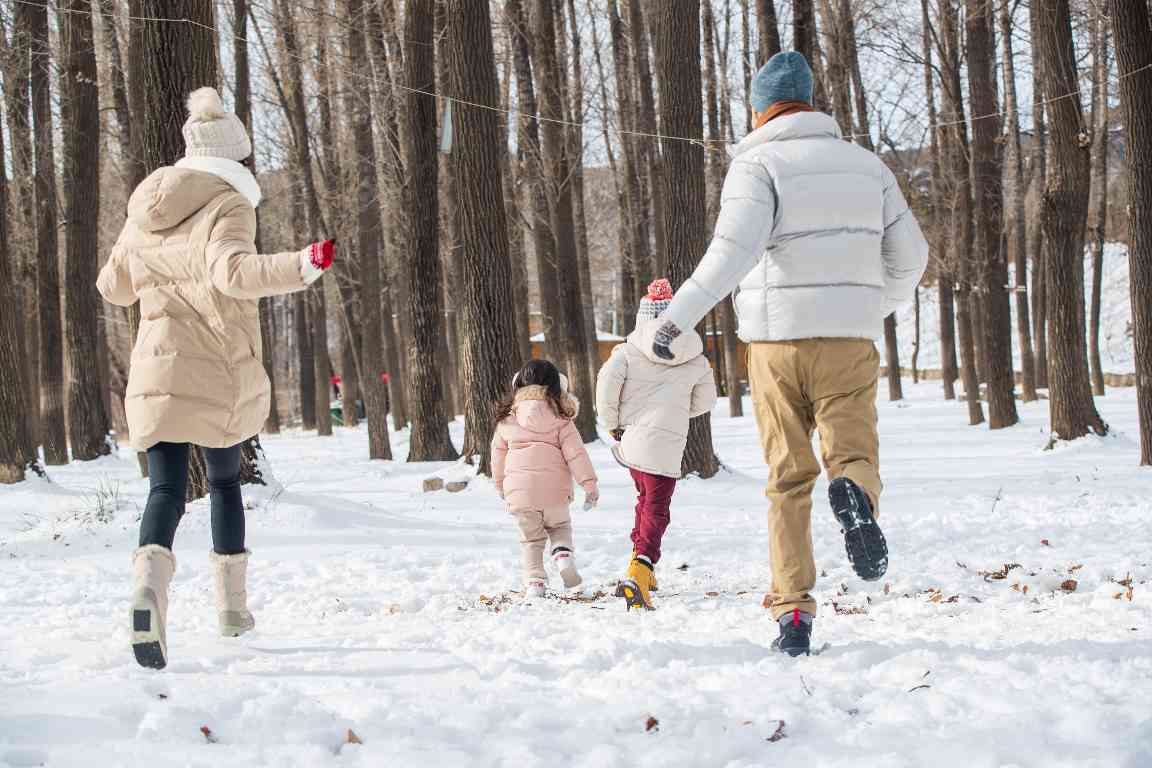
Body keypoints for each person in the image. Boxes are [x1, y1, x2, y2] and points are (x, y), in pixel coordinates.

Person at [650, 52, 929, 655]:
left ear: (759, 109)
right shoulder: (869, 166)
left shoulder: (757, 164)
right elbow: (912, 258)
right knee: (852, 453)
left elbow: (730, 254)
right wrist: (868, 305)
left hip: (776, 346)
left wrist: (675, 319)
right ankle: (854, 494)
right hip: (849, 343)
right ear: (810, 101)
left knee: (788, 478)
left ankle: (794, 614)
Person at [97, 87, 336, 670]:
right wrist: (302, 264)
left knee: (164, 490)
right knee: (225, 483)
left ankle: (148, 592)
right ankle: (232, 611)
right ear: (234, 156)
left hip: (156, 367)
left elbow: (113, 286)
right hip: (215, 364)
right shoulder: (228, 203)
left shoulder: (143, 210)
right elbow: (232, 273)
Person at [596, 279, 717, 610]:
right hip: (667, 444)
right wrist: (674, 411)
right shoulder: (696, 358)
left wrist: (612, 424)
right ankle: (641, 567)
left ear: (643, 317)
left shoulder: (627, 352)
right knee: (657, 508)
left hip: (632, 440)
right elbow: (706, 400)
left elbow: (606, 387)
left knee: (645, 499)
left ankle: (640, 566)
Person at [491, 360, 599, 598]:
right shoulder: (562, 419)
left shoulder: (507, 419)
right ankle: (562, 555)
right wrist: (589, 485)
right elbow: (576, 455)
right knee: (559, 527)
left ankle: (535, 583)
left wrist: (500, 485)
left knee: (531, 540)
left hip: (520, 494)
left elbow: (497, 457)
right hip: (555, 492)